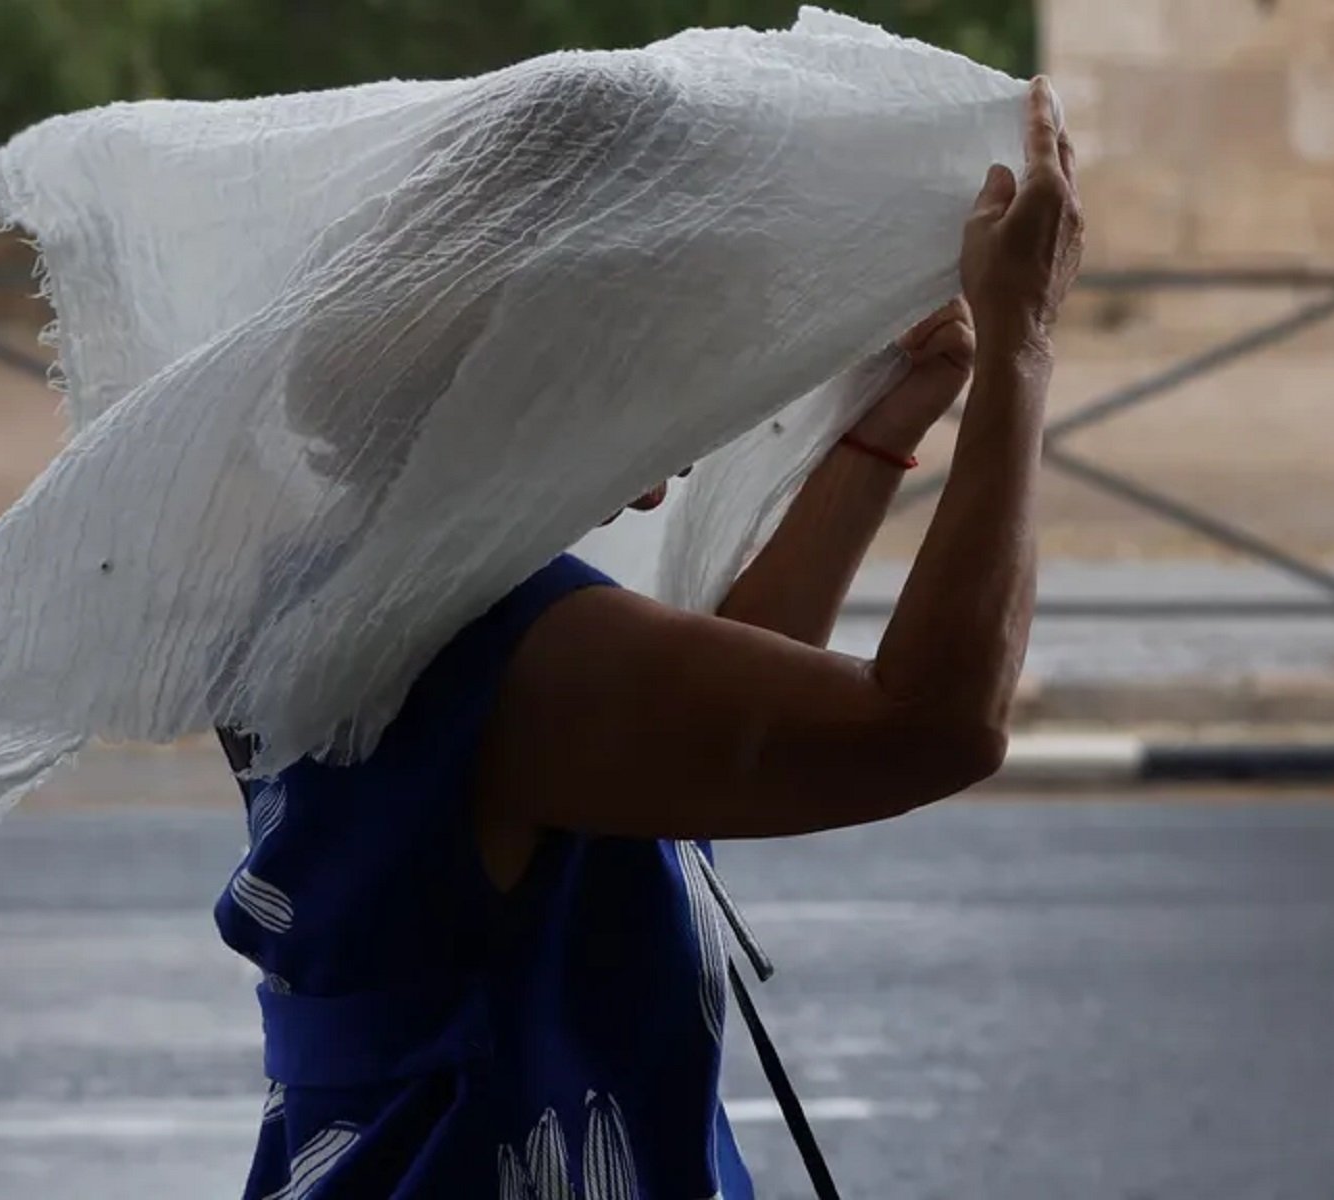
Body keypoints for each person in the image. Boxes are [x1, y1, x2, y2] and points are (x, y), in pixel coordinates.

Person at [214, 79, 1083, 1199]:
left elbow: (701, 724)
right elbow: (933, 727)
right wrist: (1023, 350)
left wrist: (876, 433)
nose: (674, 457)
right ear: (563, 373)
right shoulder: (494, 647)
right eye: (666, 375)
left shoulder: (356, 591)